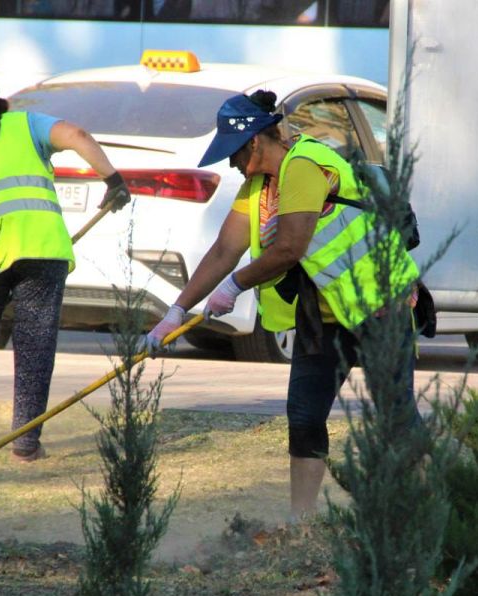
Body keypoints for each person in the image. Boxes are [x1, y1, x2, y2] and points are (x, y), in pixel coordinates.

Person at [145, 90, 419, 520]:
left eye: (233, 154)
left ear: (254, 142)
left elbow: (290, 247)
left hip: (378, 307)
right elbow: (223, 250)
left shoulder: (307, 167)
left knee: (396, 416)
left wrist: (235, 287)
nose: (231, 164)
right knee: (304, 416)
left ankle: (430, 510)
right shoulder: (258, 185)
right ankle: (299, 524)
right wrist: (175, 311)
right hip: (324, 315)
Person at [0, 72, 131, 462]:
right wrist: (113, 179)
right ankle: (24, 445)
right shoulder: (27, 126)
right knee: (35, 349)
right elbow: (78, 136)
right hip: (42, 253)